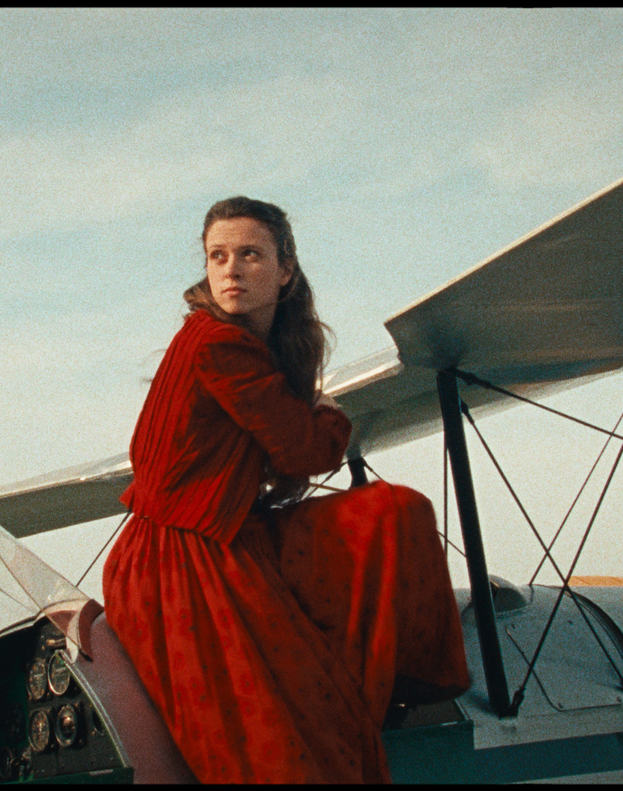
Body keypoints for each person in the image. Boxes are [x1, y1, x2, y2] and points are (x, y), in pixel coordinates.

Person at [101, 196, 469, 783]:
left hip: (194, 546)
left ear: (284, 270)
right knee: (293, 748)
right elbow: (309, 453)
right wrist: (327, 410)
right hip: (184, 566)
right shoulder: (218, 344)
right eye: (218, 256)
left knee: (392, 510)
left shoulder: (220, 342)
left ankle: (406, 677)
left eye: (250, 254)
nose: (231, 270)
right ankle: (413, 678)